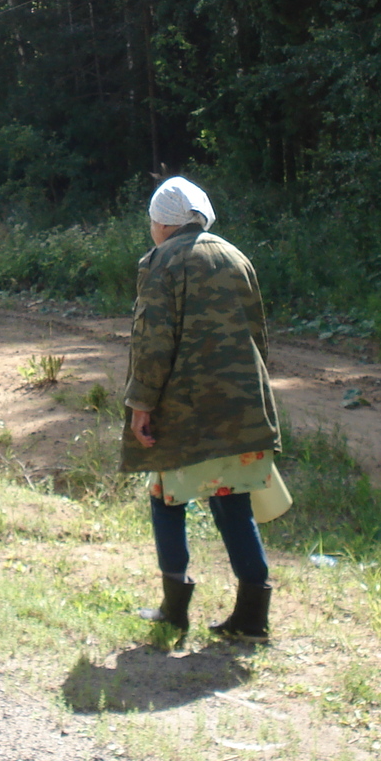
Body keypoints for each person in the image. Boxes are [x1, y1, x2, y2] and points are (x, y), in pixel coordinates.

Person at [122, 176, 287, 641]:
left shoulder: (162, 262)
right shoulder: (236, 256)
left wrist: (140, 404)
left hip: (185, 408)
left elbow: (153, 342)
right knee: (231, 498)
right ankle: (252, 616)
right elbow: (258, 337)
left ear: (163, 222)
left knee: (165, 497)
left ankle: (174, 609)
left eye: (153, 219)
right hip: (240, 405)